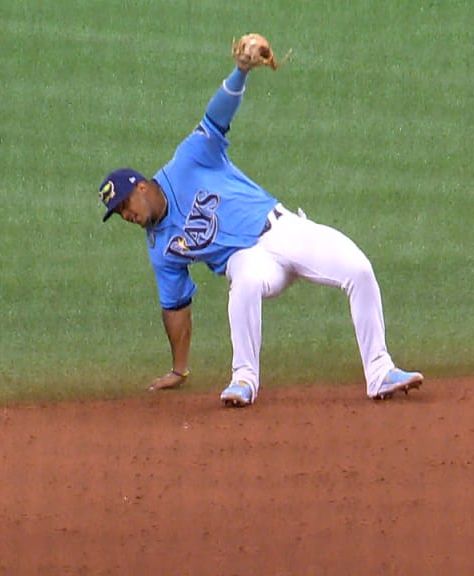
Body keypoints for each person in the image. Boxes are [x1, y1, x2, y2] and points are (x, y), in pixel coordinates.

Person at [98, 34, 423, 407]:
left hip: (281, 229)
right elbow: (175, 307)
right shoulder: (161, 247)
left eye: (126, 204)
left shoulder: (187, 160)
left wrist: (240, 72)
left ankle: (380, 372)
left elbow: (216, 117)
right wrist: (179, 370)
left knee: (359, 269)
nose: (127, 215)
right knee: (245, 280)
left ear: (141, 187)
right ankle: (244, 381)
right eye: (120, 213)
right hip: (246, 259)